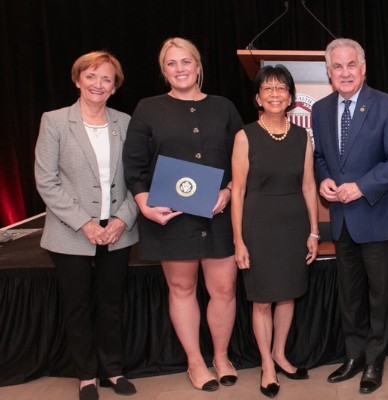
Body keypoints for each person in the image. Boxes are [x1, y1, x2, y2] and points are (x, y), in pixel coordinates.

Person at [123, 37, 244, 392]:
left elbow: (244, 158)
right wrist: (144, 203)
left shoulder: (223, 107)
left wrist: (229, 190)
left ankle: (221, 357)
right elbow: (134, 164)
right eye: (171, 63)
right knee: (182, 287)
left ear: (198, 65)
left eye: (185, 62)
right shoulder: (148, 108)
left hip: (218, 213)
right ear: (164, 70)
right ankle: (195, 362)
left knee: (224, 288)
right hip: (171, 216)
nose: (180, 69)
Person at [34, 51, 139, 400]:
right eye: (91, 76)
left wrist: (123, 218)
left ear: (114, 86)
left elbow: (139, 177)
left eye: (106, 78)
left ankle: (113, 369)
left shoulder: (126, 122)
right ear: (78, 79)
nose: (98, 84)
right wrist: (84, 223)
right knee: (77, 305)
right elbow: (46, 181)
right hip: (70, 231)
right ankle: (86, 375)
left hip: (117, 229)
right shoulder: (54, 121)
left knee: (111, 303)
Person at [312, 38, 388, 395]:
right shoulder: (320, 109)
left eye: (350, 65)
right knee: (349, 294)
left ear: (363, 67)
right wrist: (323, 178)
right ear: (328, 72)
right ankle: (353, 355)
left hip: (376, 214)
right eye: (337, 67)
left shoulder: (386, 106)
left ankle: (374, 359)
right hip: (340, 219)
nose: (344, 72)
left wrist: (362, 186)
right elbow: (321, 155)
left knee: (379, 294)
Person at [230, 65, 319, 398]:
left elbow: (309, 186)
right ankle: (267, 363)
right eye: (268, 89)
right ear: (257, 97)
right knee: (263, 300)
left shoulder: (301, 137)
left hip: (294, 226)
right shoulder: (245, 135)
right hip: (259, 226)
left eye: (281, 88)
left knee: (288, 293)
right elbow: (237, 192)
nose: (275, 94)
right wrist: (239, 240)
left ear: (292, 97)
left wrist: (313, 232)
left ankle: (281, 352)